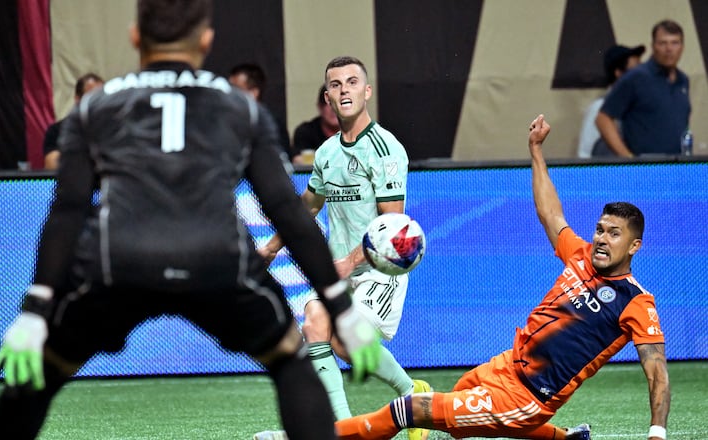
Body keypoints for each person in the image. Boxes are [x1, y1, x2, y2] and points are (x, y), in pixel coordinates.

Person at [0, 1, 382, 439]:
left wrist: (35, 310)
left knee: (40, 371)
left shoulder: (96, 108)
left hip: (120, 265)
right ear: (207, 41)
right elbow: (287, 210)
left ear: (135, 37)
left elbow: (68, 211)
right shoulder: (242, 109)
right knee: (291, 361)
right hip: (215, 260)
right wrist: (341, 308)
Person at [334, 114, 670, 440]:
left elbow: (657, 374)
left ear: (634, 246)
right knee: (458, 402)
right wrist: (536, 150)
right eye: (599, 229)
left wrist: (657, 433)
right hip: (507, 366)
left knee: (407, 410)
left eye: (614, 234)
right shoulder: (580, 254)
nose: (601, 238)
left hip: (528, 397)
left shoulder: (636, 302)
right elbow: (550, 213)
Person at [254, 56, 430, 440]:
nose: (343, 89)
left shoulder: (385, 150)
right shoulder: (327, 153)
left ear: (366, 92)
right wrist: (271, 247)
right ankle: (344, 427)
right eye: (335, 85)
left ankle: (409, 394)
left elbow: (392, 229)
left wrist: (348, 263)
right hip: (342, 268)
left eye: (352, 82)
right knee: (318, 324)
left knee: (340, 336)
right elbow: (309, 206)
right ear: (328, 98)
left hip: (381, 268)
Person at [596, 19, 690, 157]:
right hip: (645, 168)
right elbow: (603, 119)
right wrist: (628, 159)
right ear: (653, 46)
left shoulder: (683, 80)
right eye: (663, 43)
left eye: (675, 42)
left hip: (677, 167)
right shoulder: (636, 77)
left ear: (682, 47)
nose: (669, 49)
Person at [577, 44, 644, 158]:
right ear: (618, 73)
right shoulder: (599, 108)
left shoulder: (640, 106)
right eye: (635, 72)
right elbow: (585, 154)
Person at [228, 62, 293, 159]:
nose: (229, 95)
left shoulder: (272, 124)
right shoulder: (223, 120)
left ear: (254, 93)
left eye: (236, 90)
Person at [43, 72, 104, 169]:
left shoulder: (112, 128)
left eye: (101, 98)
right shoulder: (58, 129)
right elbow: (51, 164)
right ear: (77, 100)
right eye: (91, 98)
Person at [291, 84, 340, 165]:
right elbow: (297, 160)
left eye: (339, 103)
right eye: (329, 103)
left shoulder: (357, 132)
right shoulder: (305, 132)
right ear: (320, 107)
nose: (333, 109)